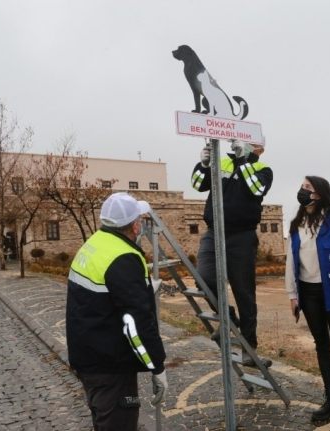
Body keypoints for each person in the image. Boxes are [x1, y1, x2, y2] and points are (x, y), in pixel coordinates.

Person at [66, 192, 167, 431]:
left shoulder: (96, 243)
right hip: (110, 367)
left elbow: (104, 295)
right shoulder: (124, 257)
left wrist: (140, 290)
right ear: (134, 225)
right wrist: (157, 366)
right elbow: (136, 324)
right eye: (139, 219)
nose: (141, 224)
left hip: (88, 357)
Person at [285, 176, 330, 429]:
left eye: (307, 188)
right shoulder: (297, 224)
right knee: (321, 346)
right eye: (302, 187)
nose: (302, 191)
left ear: (319, 194)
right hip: (308, 293)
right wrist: (292, 294)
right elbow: (291, 261)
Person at [191, 139, 273, 365]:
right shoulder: (222, 162)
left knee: (244, 292)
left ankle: (249, 350)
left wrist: (242, 160)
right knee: (204, 278)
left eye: (251, 142)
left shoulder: (263, 170)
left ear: (260, 149)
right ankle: (228, 319)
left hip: (242, 236)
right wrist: (204, 164)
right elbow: (198, 185)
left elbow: (256, 188)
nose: (245, 143)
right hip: (214, 232)